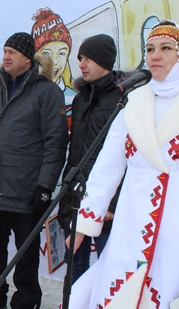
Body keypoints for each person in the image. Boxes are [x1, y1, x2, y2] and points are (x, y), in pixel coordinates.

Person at [67, 20, 179, 308]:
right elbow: (105, 170)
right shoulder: (131, 103)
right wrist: (84, 224)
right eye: (149, 49)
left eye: (165, 48)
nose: (154, 56)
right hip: (129, 230)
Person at [0, 32, 69, 309]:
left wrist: (45, 186)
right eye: (4, 51)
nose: (6, 57)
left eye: (12, 52)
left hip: (26, 190)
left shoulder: (47, 92)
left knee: (25, 257)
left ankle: (26, 302)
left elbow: (55, 143)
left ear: (28, 58)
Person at [58, 34, 126, 283]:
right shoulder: (80, 99)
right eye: (80, 58)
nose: (82, 64)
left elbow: (129, 159)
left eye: (88, 58)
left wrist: (111, 205)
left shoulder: (124, 100)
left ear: (105, 61)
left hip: (106, 207)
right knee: (74, 271)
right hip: (75, 198)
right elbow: (75, 152)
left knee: (111, 274)